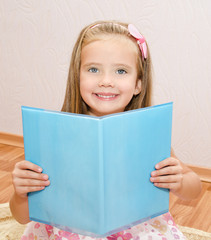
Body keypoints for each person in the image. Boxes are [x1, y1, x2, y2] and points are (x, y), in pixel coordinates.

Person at [10, 20, 202, 240]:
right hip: (72, 229)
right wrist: (21, 193)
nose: (106, 81)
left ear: (138, 83)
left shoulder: (147, 134)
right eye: (93, 69)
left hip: (136, 230)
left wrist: (179, 181)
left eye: (121, 71)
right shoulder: (53, 135)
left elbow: (194, 188)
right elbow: (22, 216)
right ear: (77, 76)